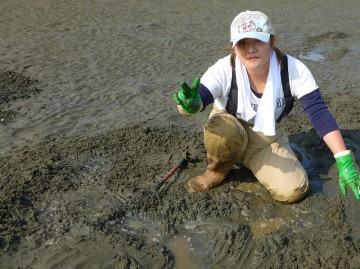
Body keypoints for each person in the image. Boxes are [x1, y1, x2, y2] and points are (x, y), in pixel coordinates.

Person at [173, 10, 360, 203]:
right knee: (222, 128)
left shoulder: (294, 70)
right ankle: (219, 169)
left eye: (257, 41)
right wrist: (190, 106)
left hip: (267, 138)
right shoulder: (224, 69)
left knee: (293, 191)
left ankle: (266, 155)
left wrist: (343, 158)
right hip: (230, 129)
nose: (250, 49)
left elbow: (319, 113)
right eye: (242, 43)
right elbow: (198, 100)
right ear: (234, 47)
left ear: (272, 41)